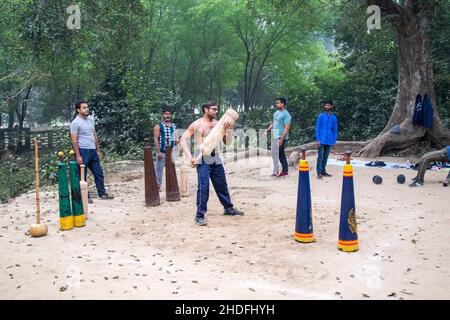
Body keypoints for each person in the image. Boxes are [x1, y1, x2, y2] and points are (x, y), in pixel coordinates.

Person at [180, 101, 244, 226]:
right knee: (203, 187)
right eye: (213, 109)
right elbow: (182, 139)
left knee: (222, 184)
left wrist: (229, 130)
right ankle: (200, 215)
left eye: (216, 109)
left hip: (215, 157)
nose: (216, 111)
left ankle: (228, 208)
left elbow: (227, 142)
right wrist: (190, 157)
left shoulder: (218, 124)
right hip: (202, 158)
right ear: (205, 109)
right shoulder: (197, 124)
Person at [70, 100, 114, 200]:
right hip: (83, 150)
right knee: (82, 175)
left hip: (92, 150)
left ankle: (102, 193)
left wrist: (98, 150)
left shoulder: (90, 120)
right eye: (84, 108)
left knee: (98, 173)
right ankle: (84, 196)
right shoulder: (75, 123)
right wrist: (78, 155)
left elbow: (94, 135)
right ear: (78, 110)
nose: (87, 109)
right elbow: (74, 140)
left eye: (87, 107)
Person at [264, 97, 291, 177]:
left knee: (277, 153)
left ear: (283, 104)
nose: (277, 104)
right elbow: (273, 123)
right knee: (279, 154)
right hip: (275, 135)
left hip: (281, 136)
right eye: (276, 103)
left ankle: (279, 171)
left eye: (278, 103)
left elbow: (286, 128)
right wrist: (267, 130)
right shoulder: (276, 113)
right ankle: (283, 170)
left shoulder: (286, 114)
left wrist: (282, 139)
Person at [153, 108, 178, 192]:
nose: (168, 115)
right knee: (159, 170)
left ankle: (171, 185)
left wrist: (178, 142)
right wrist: (158, 152)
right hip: (162, 151)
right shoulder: (158, 126)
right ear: (163, 115)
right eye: (166, 114)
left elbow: (176, 138)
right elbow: (156, 139)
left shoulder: (174, 126)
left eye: (169, 114)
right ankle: (157, 186)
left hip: (171, 152)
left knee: (171, 168)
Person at [315, 100, 338, 179]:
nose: (327, 107)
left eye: (328, 105)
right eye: (326, 105)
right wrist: (318, 139)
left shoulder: (334, 118)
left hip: (329, 139)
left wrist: (334, 141)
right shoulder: (321, 116)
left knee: (325, 156)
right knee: (320, 156)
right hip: (321, 139)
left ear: (331, 106)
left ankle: (323, 171)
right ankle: (319, 173)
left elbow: (335, 130)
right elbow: (317, 128)